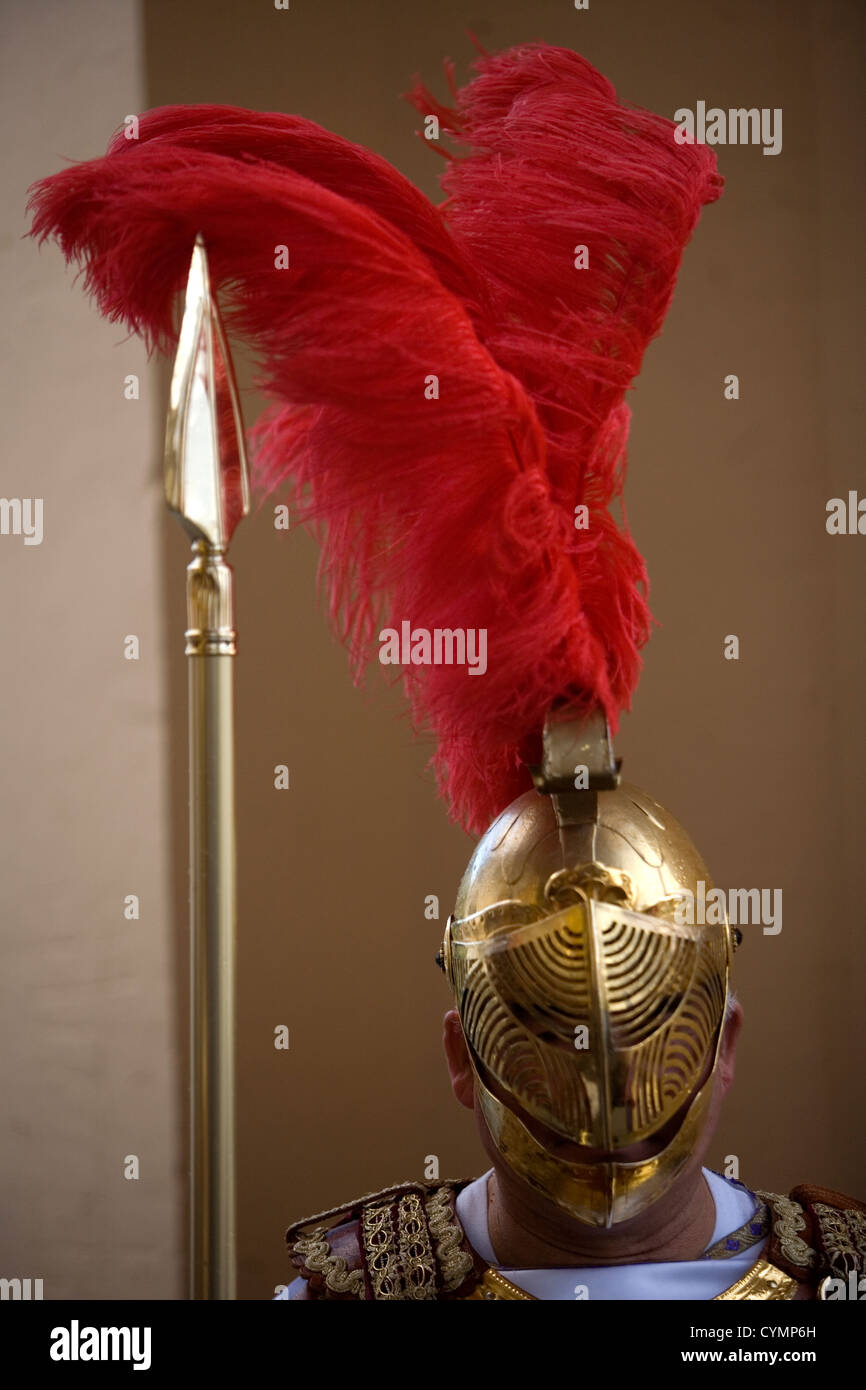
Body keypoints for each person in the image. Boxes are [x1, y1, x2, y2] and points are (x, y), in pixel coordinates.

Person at [279, 716, 865, 1301]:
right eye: (548, 1027)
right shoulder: (356, 1286)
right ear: (462, 1056)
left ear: (725, 1042)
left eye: (651, 1015)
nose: (605, 1095)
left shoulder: (845, 1277)